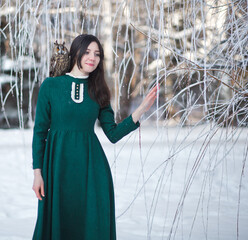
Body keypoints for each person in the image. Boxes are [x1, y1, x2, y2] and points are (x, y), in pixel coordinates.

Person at [32, 34, 158, 240]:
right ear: (76, 53)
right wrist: (37, 173)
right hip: (56, 168)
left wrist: (141, 110)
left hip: (92, 171)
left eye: (97, 54)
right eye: (88, 52)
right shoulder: (51, 86)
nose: (92, 58)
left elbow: (113, 133)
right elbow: (39, 133)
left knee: (90, 226)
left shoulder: (98, 89)